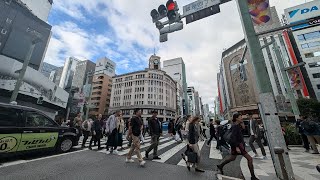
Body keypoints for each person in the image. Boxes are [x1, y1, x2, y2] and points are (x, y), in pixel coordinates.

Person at [217, 113, 259, 180]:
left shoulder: (237, 125)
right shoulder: (234, 126)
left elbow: (241, 133)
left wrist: (242, 126)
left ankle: (220, 166)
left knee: (232, 158)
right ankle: (253, 176)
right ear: (236, 118)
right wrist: (236, 147)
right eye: (240, 117)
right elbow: (233, 137)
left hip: (238, 145)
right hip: (238, 145)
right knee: (250, 159)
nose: (241, 118)